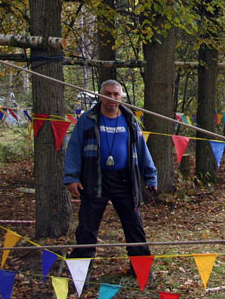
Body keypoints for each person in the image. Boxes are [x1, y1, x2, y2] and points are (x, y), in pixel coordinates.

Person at [64, 79, 157, 261]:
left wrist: (150, 176)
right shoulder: (88, 119)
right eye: (107, 94)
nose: (111, 98)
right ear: (100, 96)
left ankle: (141, 269)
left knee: (134, 225)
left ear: (121, 97)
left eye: (115, 94)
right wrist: (71, 176)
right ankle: (81, 273)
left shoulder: (130, 120)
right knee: (87, 226)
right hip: (95, 178)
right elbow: (74, 147)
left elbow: (142, 149)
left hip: (125, 180)